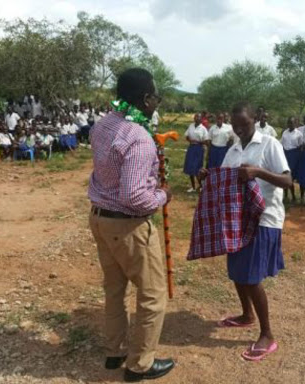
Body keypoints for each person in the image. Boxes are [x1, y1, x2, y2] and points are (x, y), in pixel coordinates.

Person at [88, 68, 174, 382]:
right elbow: (135, 196)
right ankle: (140, 365)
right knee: (152, 294)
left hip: (100, 219)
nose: (157, 103)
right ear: (145, 99)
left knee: (114, 289)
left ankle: (115, 352)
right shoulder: (138, 137)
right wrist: (163, 195)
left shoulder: (103, 125)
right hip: (128, 227)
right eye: (155, 97)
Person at [199, 101, 291, 361]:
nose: (239, 129)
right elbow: (227, 177)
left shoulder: (270, 144)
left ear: (256, 119)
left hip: (264, 219)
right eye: (235, 125)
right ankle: (247, 315)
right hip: (238, 218)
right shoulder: (234, 148)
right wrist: (210, 175)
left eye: (244, 124)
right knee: (238, 272)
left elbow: (288, 181)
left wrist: (258, 171)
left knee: (251, 277)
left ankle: (268, 335)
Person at [183, 113, 208, 193]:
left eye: (198, 117)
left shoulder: (203, 128)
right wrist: (190, 140)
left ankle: (201, 185)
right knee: (190, 167)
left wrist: (198, 141)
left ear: (201, 119)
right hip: (191, 148)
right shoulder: (191, 126)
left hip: (199, 148)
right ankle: (193, 186)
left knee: (197, 167)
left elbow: (206, 141)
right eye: (195, 117)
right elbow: (186, 135)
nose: (196, 118)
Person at [280, 116, 303, 202]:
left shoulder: (299, 134)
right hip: (285, 154)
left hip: (294, 155)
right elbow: (281, 143)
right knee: (285, 173)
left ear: (296, 123)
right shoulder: (284, 132)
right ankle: (285, 196)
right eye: (289, 122)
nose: (290, 124)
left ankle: (294, 196)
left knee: (291, 176)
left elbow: (301, 146)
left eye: (292, 122)